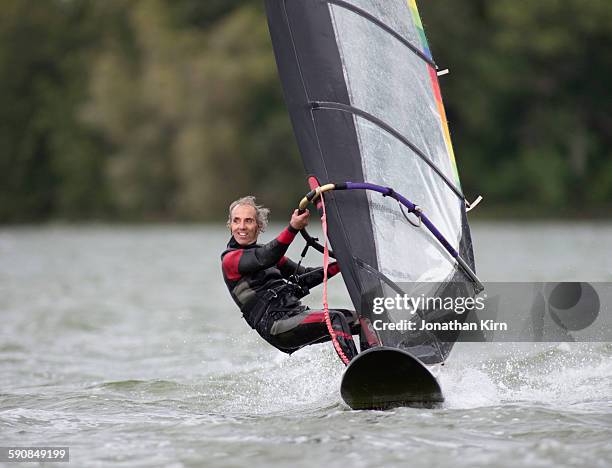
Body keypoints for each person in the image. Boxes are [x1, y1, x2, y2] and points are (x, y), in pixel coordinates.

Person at [221, 196, 360, 363]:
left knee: (364, 320)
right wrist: (293, 227)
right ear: (230, 225)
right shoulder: (231, 260)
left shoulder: (269, 257)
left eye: (248, 221)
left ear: (259, 226)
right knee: (335, 318)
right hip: (275, 326)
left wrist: (341, 264)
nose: (241, 227)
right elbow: (265, 257)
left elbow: (304, 278)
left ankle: (379, 364)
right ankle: (358, 373)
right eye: (236, 221)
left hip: (295, 315)